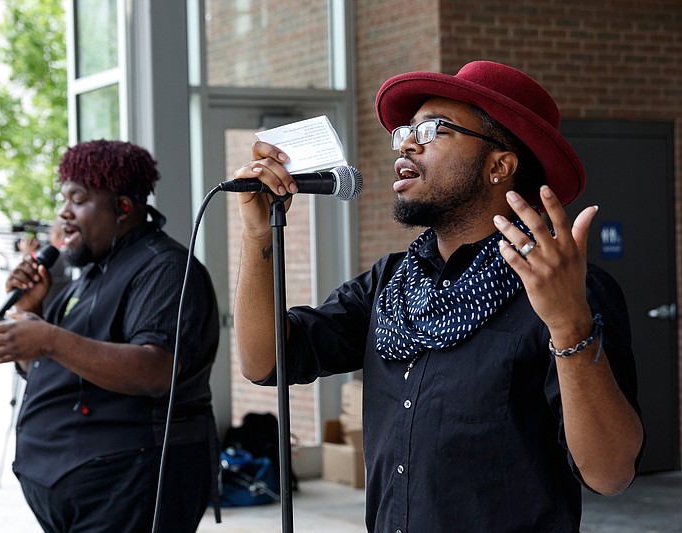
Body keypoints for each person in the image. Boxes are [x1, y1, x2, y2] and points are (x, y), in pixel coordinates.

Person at [230, 60, 645, 532]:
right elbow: (265, 361)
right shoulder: (391, 285)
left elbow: (610, 473)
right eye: (406, 130)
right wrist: (257, 233)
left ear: (499, 166)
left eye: (431, 130)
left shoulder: (569, 289)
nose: (406, 142)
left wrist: (570, 325)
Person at [0, 140, 220, 532]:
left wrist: (48, 338)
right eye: (64, 198)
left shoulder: (165, 268)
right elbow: (48, 368)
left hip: (129, 482)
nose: (63, 212)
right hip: (74, 484)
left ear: (122, 207)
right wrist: (35, 313)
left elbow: (156, 370)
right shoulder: (91, 273)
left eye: (78, 199)